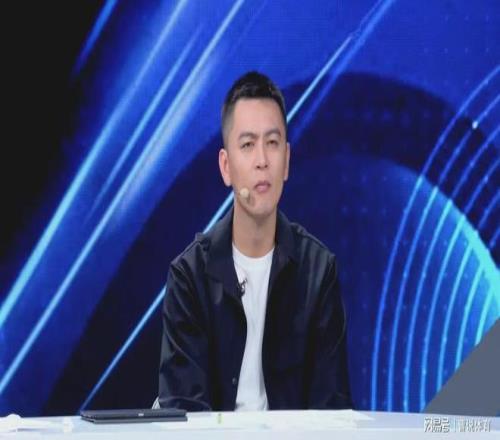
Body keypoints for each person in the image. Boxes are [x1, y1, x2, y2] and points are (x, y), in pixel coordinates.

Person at [159, 71, 351, 411]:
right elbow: (184, 416)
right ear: (226, 166)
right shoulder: (190, 277)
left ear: (286, 161)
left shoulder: (318, 272)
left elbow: (331, 412)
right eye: (247, 145)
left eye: (272, 143)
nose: (262, 160)